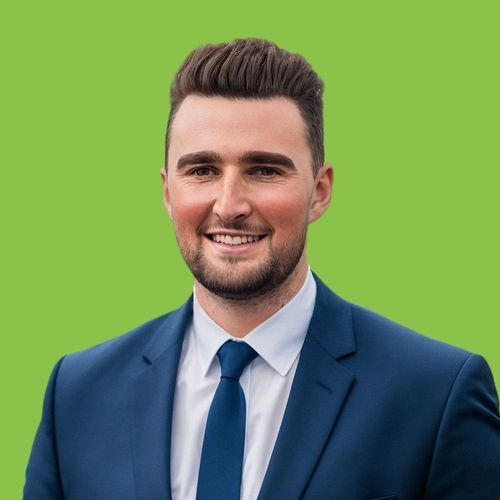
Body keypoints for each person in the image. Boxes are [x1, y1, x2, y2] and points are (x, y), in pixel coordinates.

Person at [24, 38, 500, 500]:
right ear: (168, 192)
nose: (229, 206)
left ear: (319, 191)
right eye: (202, 171)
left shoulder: (436, 395)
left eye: (265, 170)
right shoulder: (77, 395)